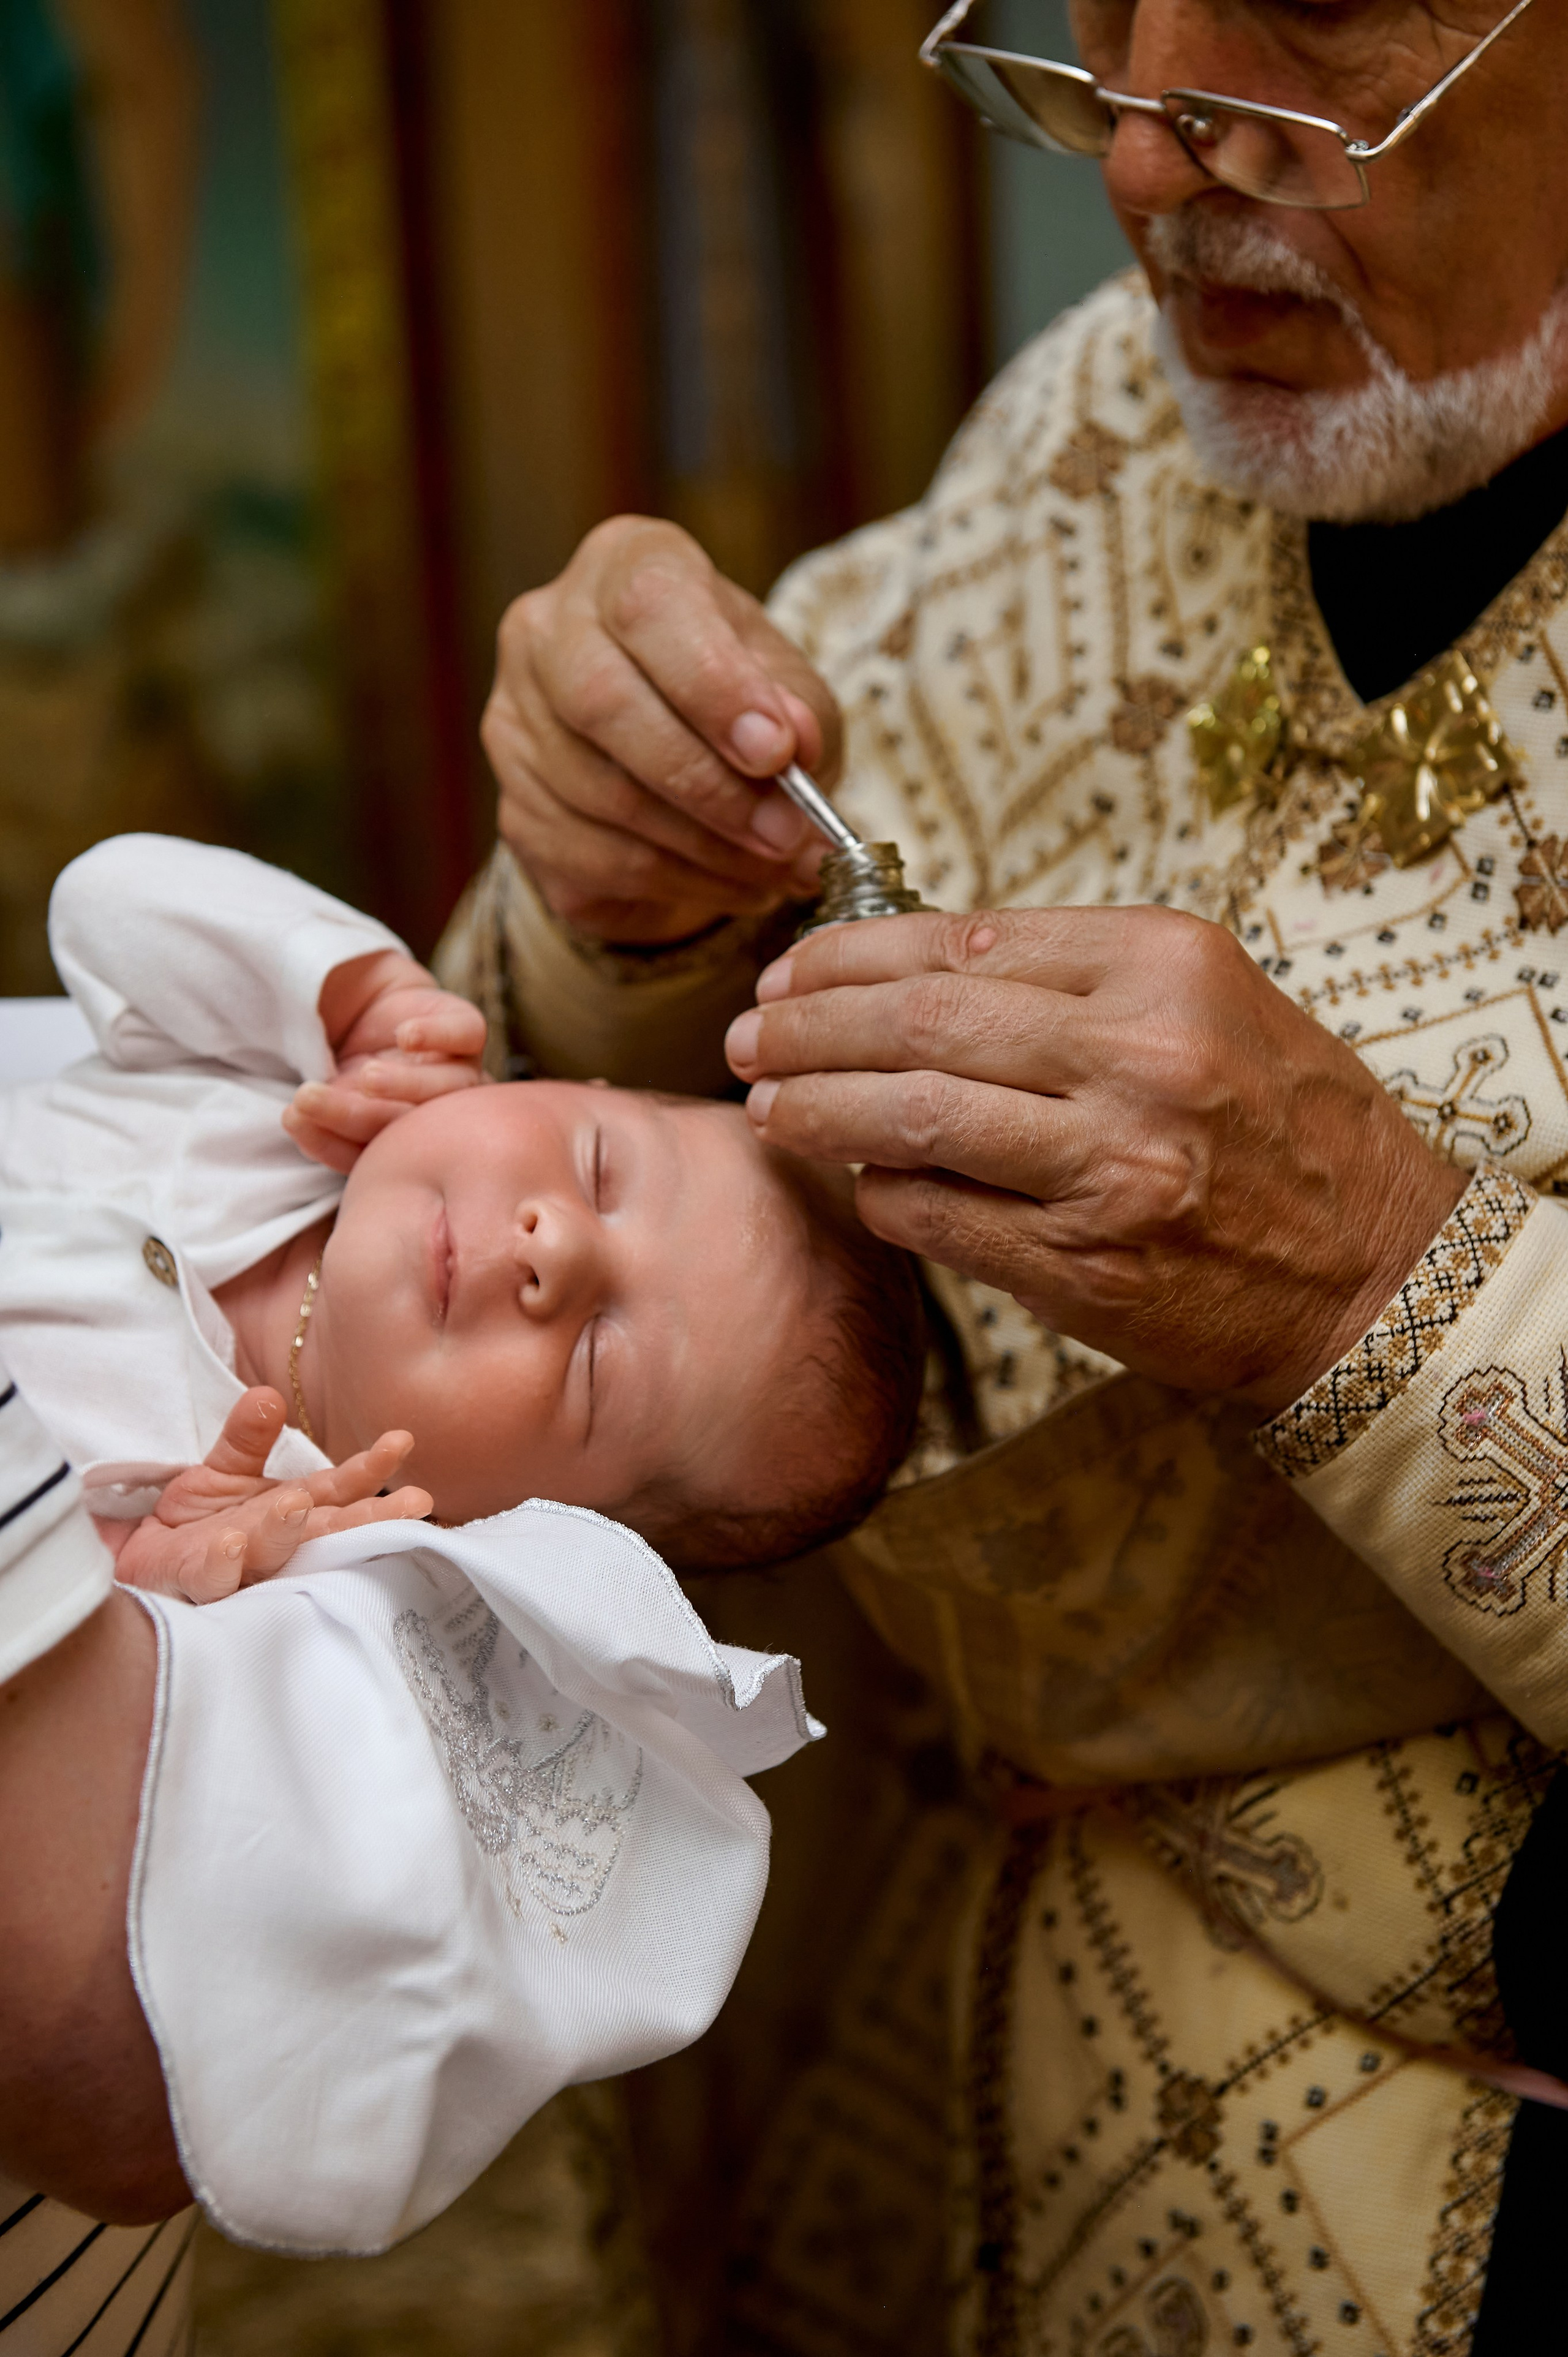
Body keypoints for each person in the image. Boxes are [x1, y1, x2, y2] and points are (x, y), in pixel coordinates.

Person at [441, 0, 1568, 2344]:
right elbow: (646, 1091)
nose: (1146, 164)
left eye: (1305, 23)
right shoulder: (1103, 415)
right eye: (1097, 22)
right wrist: (625, 897)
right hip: (844, 2095)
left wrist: (1382, 1276)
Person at [0, 833, 924, 1597]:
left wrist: (137, 1577)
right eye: (598, 1167)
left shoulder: (278, 1550)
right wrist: (365, 1002)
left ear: (520, 1534)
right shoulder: (283, 1092)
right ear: (563, 1085)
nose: (552, 1248)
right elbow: (101, 898)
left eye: (598, 1362)